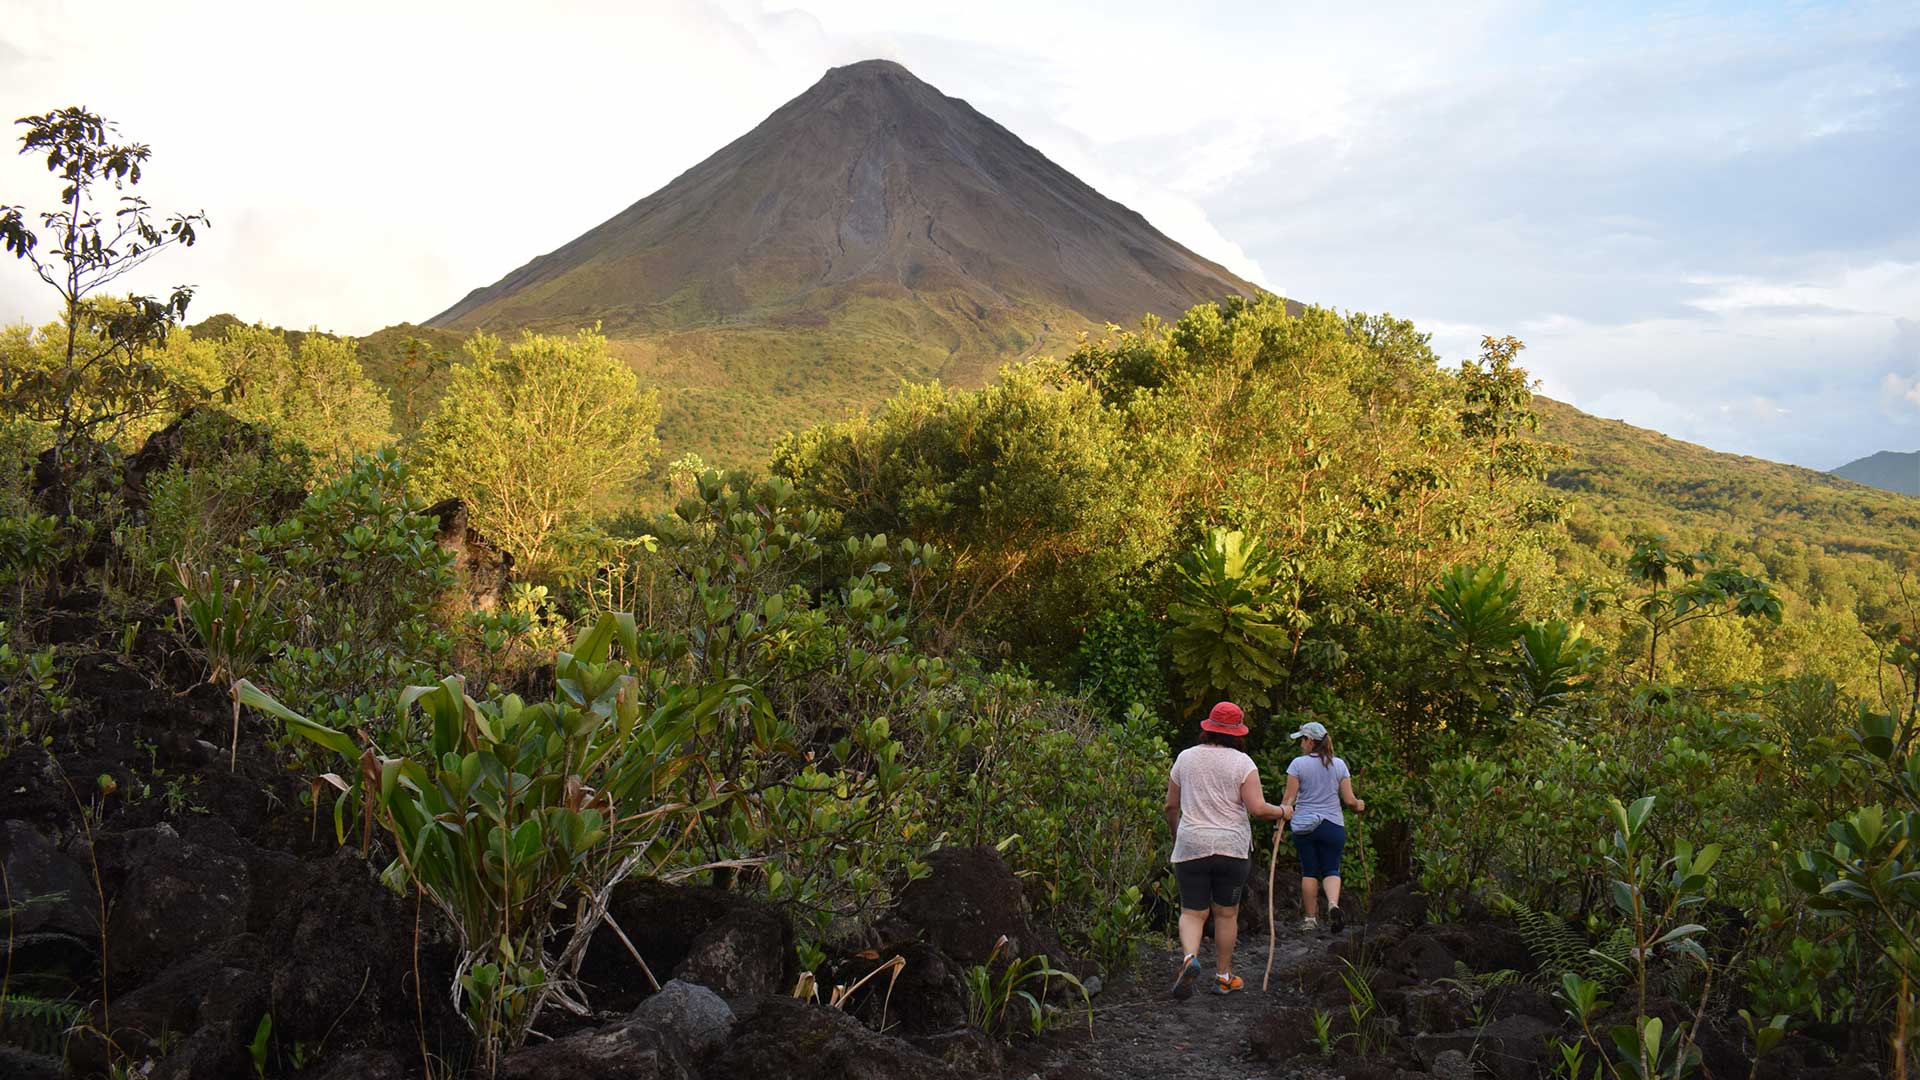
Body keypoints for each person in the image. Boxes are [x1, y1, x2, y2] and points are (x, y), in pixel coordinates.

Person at [1164, 701, 1288, 999]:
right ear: (1238, 733)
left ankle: (1189, 959)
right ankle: (1223, 977)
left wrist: (1177, 834)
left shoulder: (1185, 758)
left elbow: (1170, 805)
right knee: (1226, 914)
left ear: (1208, 728)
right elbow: (1258, 809)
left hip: (1192, 844)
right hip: (1231, 848)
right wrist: (1283, 811)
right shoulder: (1243, 763)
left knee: (1193, 912)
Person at [1279, 719, 1364, 934]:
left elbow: (1288, 800)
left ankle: (1310, 919)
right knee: (1331, 869)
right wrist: (1359, 805)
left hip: (1305, 826)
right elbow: (1350, 801)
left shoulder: (1298, 764)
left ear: (1310, 741)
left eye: (1302, 740)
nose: (1301, 744)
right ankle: (1333, 905)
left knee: (1309, 871)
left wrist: (1278, 827)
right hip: (1332, 825)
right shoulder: (1339, 765)